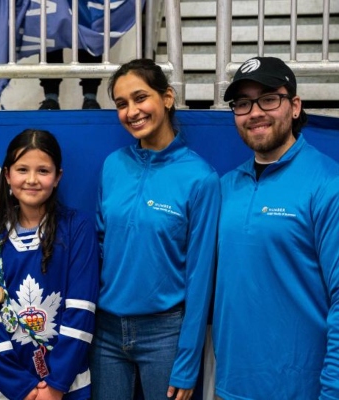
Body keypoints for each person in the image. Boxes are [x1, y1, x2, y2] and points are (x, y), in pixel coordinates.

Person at [90, 59, 220, 400]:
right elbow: (99, 245)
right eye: (121, 104)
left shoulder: (200, 178)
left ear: (167, 97)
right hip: (105, 331)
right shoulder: (113, 165)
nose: (131, 111)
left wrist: (188, 359)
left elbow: (200, 276)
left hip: (165, 334)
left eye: (140, 98)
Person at [212, 57, 339, 399]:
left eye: (268, 98)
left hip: (302, 390)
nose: (255, 112)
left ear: (295, 106)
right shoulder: (224, 188)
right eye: (243, 103)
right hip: (231, 386)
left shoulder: (329, 185)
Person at [0, 129, 99, 399]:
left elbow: (81, 309)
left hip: (65, 386)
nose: (31, 180)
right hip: (6, 388)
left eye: (43, 171)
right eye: (22, 169)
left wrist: (56, 384)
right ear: (7, 176)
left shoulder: (78, 227)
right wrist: (21, 387)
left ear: (58, 177)